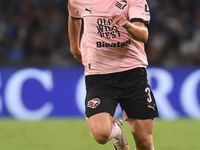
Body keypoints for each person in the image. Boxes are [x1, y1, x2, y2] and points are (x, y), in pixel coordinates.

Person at [68, 0, 159, 149]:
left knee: (144, 143)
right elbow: (74, 14)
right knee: (101, 134)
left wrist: (126, 24)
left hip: (133, 73)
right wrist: (74, 46)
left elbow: (143, 34)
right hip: (99, 75)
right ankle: (117, 132)